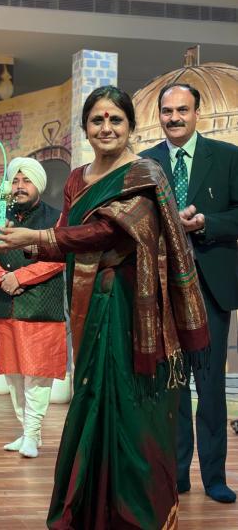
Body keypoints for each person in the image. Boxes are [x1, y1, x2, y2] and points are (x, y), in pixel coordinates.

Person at [0, 85, 209, 529]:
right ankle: (88, 509)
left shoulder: (143, 174)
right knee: (91, 399)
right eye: (97, 120)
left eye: (115, 120)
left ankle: (137, 513)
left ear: (130, 126)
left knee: (132, 405)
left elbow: (108, 233)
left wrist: (39, 237)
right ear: (85, 128)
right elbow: (68, 237)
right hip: (89, 303)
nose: (106, 128)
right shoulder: (76, 179)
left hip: (132, 306)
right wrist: (23, 244)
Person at [141, 83, 238, 504]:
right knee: (174, 384)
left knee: (210, 384)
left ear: (198, 113)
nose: (174, 117)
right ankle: (176, 475)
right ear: (159, 116)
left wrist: (206, 223)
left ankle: (214, 477)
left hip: (210, 286)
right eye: (167, 111)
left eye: (182, 110)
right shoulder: (145, 163)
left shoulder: (228, 157)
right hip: (164, 288)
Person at [0, 157, 66, 458]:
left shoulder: (56, 218)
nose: (20, 187)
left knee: (37, 374)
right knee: (14, 374)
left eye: (26, 181)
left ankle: (32, 434)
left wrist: (19, 277)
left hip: (41, 308)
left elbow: (59, 258)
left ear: (38, 185)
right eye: (15, 181)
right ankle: (27, 432)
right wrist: (1, 278)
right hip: (7, 306)